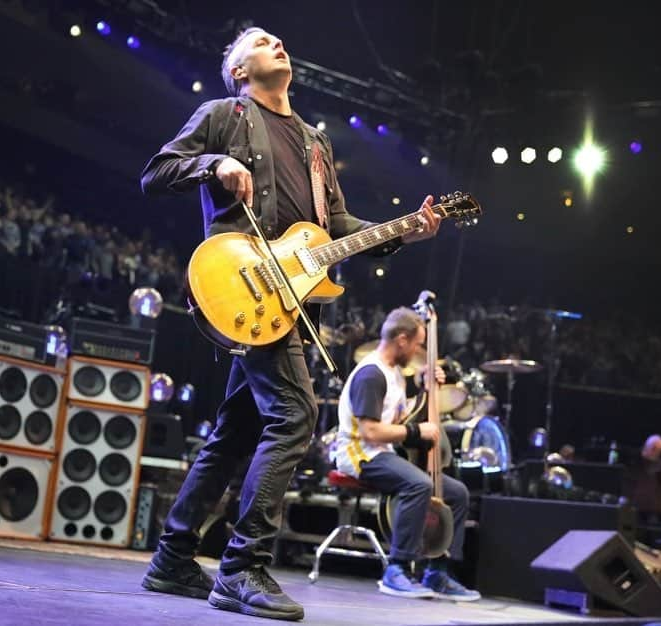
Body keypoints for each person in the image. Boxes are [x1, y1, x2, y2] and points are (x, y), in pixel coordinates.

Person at [139, 26, 441, 621]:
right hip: (245, 287)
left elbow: (335, 225)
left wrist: (401, 230)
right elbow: (156, 173)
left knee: (235, 433)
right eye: (260, 40)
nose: (278, 43)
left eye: (279, 40)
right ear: (238, 69)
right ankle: (241, 565)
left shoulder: (313, 142)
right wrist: (215, 162)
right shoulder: (224, 114)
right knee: (296, 414)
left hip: (295, 306)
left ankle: (173, 558)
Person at [335, 307, 480, 601]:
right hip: (360, 455)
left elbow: (402, 410)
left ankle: (438, 571)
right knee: (420, 484)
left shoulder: (395, 374)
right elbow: (371, 432)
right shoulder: (371, 374)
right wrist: (417, 432)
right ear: (402, 339)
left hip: (383, 453)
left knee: (457, 493)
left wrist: (425, 384)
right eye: (417, 343)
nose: (419, 350)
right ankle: (397, 568)